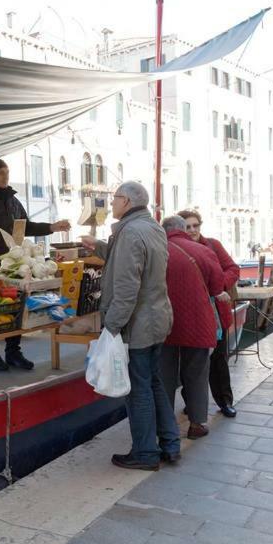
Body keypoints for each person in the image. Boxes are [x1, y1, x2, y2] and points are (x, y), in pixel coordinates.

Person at [81, 181, 176, 470]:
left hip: (138, 326)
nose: (111, 205)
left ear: (126, 201)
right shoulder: (151, 227)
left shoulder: (130, 232)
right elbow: (134, 264)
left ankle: (145, 453)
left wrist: (110, 329)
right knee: (154, 382)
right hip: (157, 319)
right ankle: (170, 444)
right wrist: (98, 245)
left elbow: (125, 289)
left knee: (139, 390)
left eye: (114, 199)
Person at [0, 158, 71, 371]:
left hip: (16, 265)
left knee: (17, 307)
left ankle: (13, 352)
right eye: (1, 173)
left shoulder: (12, 201)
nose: (5, 177)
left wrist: (52, 226)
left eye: (7, 172)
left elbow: (26, 227)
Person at [159, 216, 225, 440]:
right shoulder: (202, 250)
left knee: (164, 374)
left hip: (164, 321)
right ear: (182, 230)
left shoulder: (157, 250)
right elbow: (217, 285)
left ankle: (166, 425)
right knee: (196, 373)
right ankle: (197, 424)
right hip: (197, 320)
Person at [178, 209, 239, 417]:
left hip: (216, 313)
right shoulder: (174, 248)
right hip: (189, 314)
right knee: (188, 362)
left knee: (219, 360)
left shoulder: (212, 245)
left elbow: (232, 268)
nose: (193, 230)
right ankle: (193, 403)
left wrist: (218, 285)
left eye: (196, 225)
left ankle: (224, 402)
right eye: (188, 227)